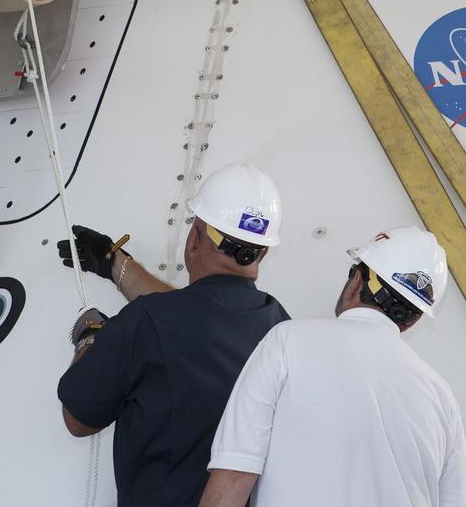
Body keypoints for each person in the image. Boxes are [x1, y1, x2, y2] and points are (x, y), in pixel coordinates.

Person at [56, 163, 290, 507]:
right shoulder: (281, 328)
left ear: (195, 237)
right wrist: (115, 266)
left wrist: (90, 339)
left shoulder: (147, 323)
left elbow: (78, 419)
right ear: (264, 251)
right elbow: (197, 313)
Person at [200, 226, 466, 507]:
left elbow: (234, 472)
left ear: (356, 280)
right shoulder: (442, 399)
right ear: (414, 319)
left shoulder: (287, 342)